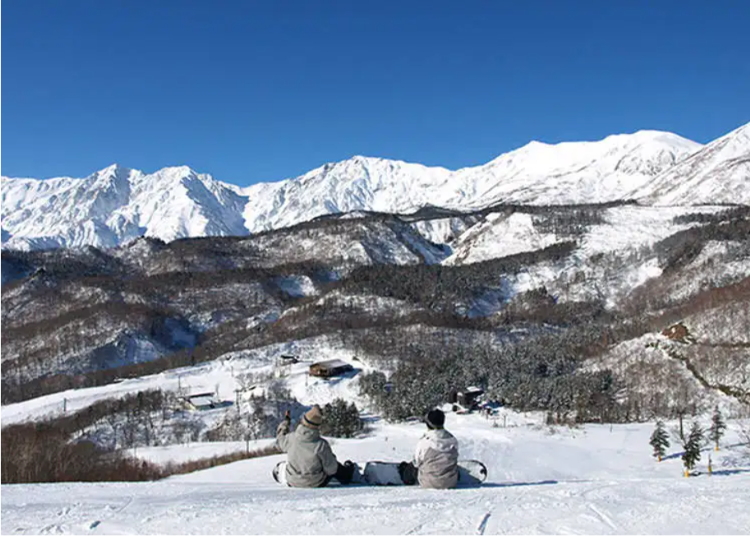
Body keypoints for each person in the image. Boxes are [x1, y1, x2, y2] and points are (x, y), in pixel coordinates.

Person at [275, 405, 355, 487]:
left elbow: (279, 439)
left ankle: (288, 472)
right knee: (335, 465)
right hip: (315, 483)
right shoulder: (321, 445)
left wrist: (286, 421)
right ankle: (349, 472)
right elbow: (331, 470)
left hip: (293, 481)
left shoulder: (290, 438)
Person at [400, 408, 459, 489]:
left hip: (429, 483)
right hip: (451, 483)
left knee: (412, 468)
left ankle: (404, 475)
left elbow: (416, 462)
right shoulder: (453, 440)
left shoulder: (425, 442)